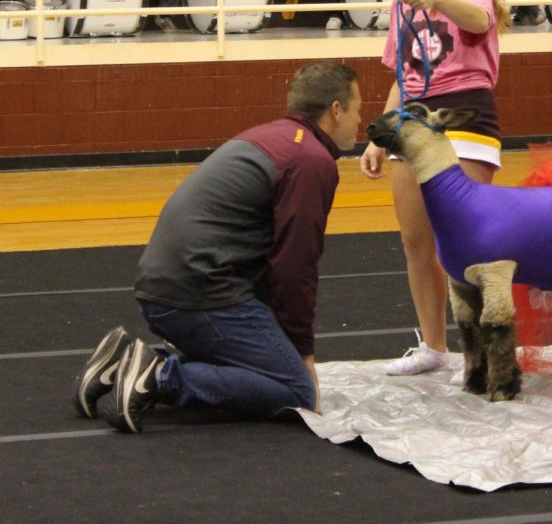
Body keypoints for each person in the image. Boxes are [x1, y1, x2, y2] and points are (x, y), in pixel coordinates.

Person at [72, 61, 362, 433]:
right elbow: (294, 267)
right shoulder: (310, 162)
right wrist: (302, 355)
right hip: (198, 294)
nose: (359, 120)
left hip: (163, 289)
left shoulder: (269, 136)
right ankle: (159, 373)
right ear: (335, 110)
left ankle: (122, 363)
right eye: (357, 108)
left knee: (266, 366)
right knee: (295, 392)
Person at [361, 0, 510, 376]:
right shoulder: (403, 0)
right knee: (415, 239)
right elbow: (400, 72)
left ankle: (486, 339)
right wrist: (379, 136)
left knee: (465, 238)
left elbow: (479, 18)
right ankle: (432, 346)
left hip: (464, 111)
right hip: (413, 115)